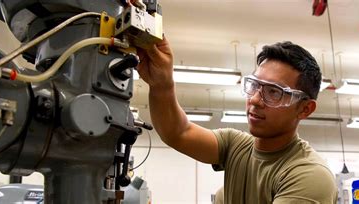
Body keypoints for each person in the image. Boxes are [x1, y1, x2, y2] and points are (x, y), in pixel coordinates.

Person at [137, 37, 338, 203]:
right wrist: (161, 84)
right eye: (254, 85)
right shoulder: (236, 146)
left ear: (305, 109)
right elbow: (178, 133)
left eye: (274, 92)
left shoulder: (309, 175)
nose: (256, 99)